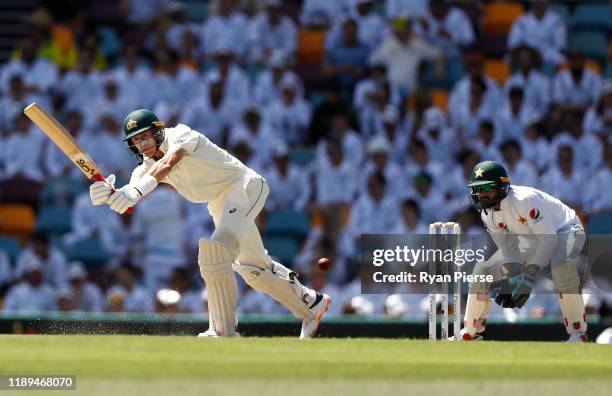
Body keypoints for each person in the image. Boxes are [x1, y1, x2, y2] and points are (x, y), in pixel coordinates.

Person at [89, 109, 330, 337]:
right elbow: (129, 196)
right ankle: (311, 304)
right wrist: (109, 195)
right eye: (136, 140)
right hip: (219, 203)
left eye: (146, 136)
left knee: (216, 253)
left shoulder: (181, 134)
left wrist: (135, 192)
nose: (143, 144)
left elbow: (168, 164)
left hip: (243, 186)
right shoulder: (145, 169)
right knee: (254, 270)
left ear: (158, 131)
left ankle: (221, 330)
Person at [461, 160, 587, 342]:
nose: (483, 194)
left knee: (561, 266)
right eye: (478, 189)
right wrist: (512, 279)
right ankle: (470, 332)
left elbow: (549, 239)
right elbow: (509, 249)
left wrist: (528, 277)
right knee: (483, 272)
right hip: (531, 239)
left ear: (502, 186)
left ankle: (578, 333)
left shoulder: (525, 200)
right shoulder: (487, 216)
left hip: (566, 230)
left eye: (488, 188)